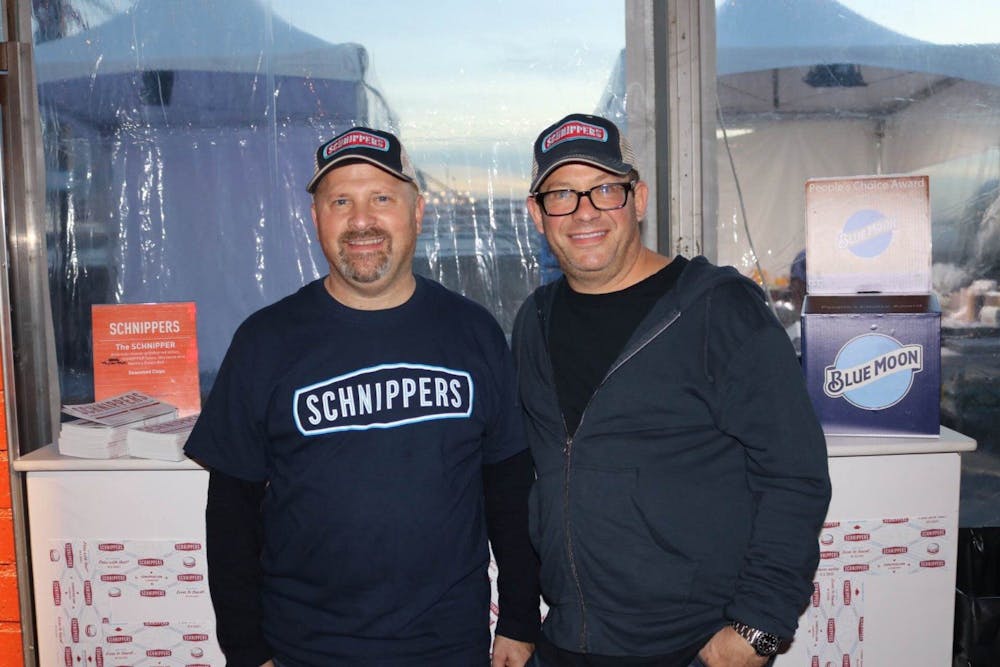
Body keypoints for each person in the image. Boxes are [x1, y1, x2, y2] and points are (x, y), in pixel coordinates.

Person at [185, 127, 540, 666]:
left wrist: (518, 617)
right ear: (316, 218)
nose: (360, 220)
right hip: (304, 649)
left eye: (381, 198)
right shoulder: (265, 341)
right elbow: (230, 515)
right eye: (341, 201)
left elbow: (509, 490)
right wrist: (245, 650)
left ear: (416, 212)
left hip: (447, 647)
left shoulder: (474, 334)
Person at [511, 113, 832, 667]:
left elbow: (794, 474)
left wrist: (759, 629)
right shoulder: (533, 322)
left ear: (638, 199)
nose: (584, 211)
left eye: (604, 189)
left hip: (692, 646)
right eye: (561, 194)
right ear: (537, 215)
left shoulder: (718, 310)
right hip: (567, 638)